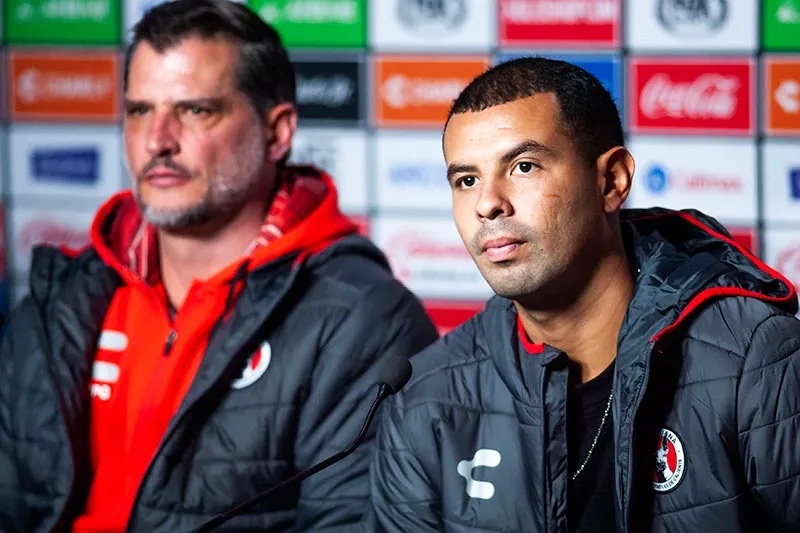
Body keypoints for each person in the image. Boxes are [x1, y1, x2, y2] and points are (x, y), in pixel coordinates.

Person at [0, 1, 439, 531]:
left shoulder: (365, 321)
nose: (157, 140)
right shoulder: (59, 300)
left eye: (195, 110)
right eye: (140, 110)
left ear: (276, 133)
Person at [364, 57, 800, 532]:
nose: (487, 203)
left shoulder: (756, 358)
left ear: (612, 181)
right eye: (466, 180)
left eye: (523, 166)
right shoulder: (425, 398)